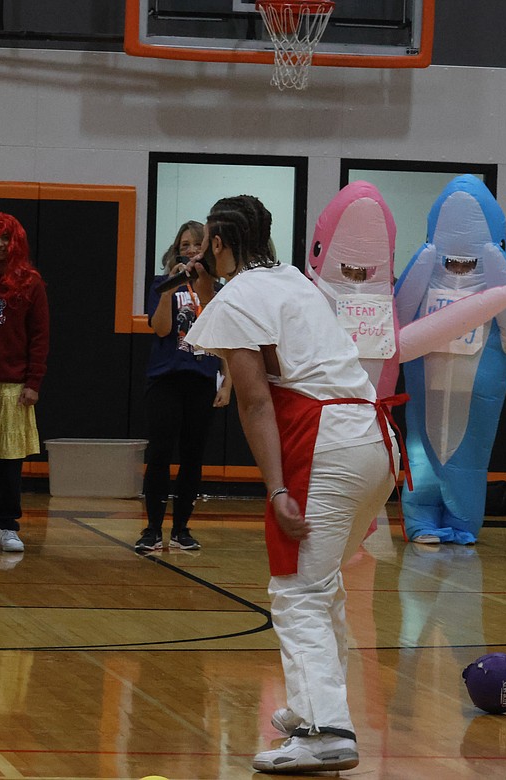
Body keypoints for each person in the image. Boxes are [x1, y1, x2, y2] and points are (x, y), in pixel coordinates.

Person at [185, 195, 401, 774]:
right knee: (319, 578)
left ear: (220, 244)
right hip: (377, 440)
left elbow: (255, 400)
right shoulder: (291, 280)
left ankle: (327, 729)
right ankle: (312, 709)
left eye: (207, 242)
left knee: (297, 589)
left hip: (327, 440)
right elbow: (234, 322)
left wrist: (276, 488)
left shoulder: (240, 295)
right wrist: (209, 287)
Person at [135, 221, 230, 553]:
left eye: (197, 246)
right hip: (165, 379)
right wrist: (169, 289)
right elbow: (160, 330)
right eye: (185, 245)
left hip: (201, 380)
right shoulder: (163, 284)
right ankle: (151, 529)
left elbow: (226, 342)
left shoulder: (216, 290)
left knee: (193, 457)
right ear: (177, 249)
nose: (191, 250)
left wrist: (227, 383)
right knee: (160, 454)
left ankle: (181, 529)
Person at [0, 213, 49, 554]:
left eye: (5, 239)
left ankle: (6, 525)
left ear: (15, 242)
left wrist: (33, 382)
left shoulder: (31, 282)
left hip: (13, 386)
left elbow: (40, 336)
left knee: (9, 463)